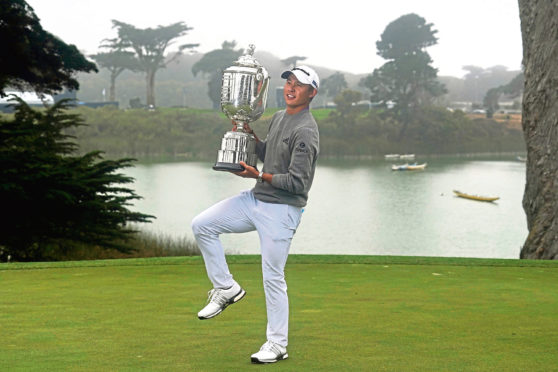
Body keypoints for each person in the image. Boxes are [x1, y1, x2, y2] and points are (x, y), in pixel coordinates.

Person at [191, 65, 320, 364]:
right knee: (203, 225)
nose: (290, 87)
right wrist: (252, 139)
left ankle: (277, 345)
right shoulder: (278, 118)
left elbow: (297, 182)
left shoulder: (307, 131)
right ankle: (226, 288)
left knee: (272, 277)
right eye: (289, 81)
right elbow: (270, 154)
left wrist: (258, 175)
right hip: (255, 200)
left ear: (311, 93)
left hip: (282, 211)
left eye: (299, 85)